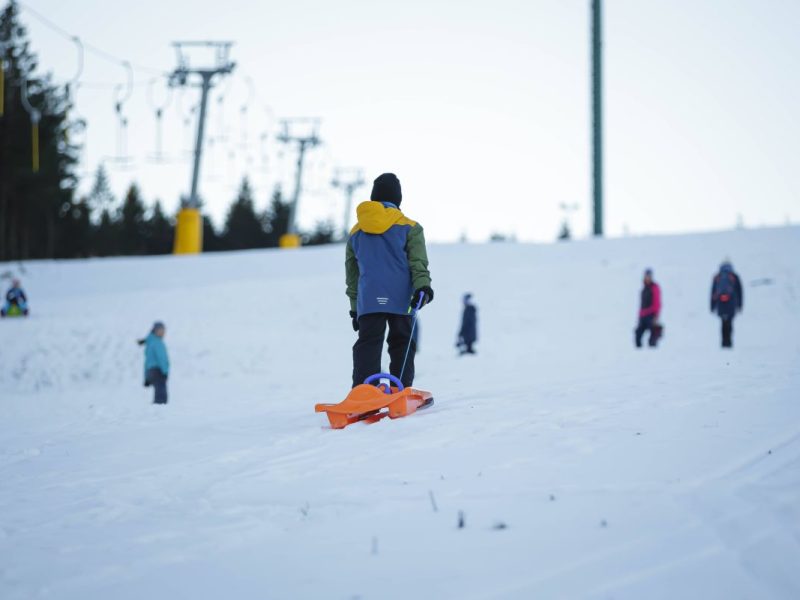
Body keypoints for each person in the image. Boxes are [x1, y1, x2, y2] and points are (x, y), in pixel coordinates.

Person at [346, 173, 433, 388]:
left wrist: (355, 307)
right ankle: (401, 389)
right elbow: (418, 262)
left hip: (369, 298)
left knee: (368, 343)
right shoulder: (410, 227)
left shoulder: (356, 231)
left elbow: (352, 274)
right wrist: (423, 286)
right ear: (398, 199)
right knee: (402, 341)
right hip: (401, 298)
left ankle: (363, 391)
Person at [710, 260, 743, 348]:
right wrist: (740, 304)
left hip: (721, 303)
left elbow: (713, 292)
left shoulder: (718, 276)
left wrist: (712, 306)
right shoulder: (734, 276)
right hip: (731, 303)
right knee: (729, 322)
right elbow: (739, 291)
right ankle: (729, 341)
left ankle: (724, 342)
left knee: (723, 322)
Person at [138, 321, 170, 404]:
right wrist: (165, 371)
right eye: (160, 330)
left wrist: (146, 377)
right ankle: (159, 413)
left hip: (151, 372)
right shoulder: (157, 343)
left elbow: (147, 362)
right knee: (161, 396)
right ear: (155, 331)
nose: (163, 332)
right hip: (158, 371)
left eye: (163, 330)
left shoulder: (150, 342)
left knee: (158, 393)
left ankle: (156, 412)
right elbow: (162, 358)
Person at [635, 268, 662, 348]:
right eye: (646, 276)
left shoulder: (654, 288)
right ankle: (638, 352)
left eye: (649, 276)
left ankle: (653, 352)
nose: (647, 278)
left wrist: (656, 315)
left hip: (651, 314)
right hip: (643, 315)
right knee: (638, 334)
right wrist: (640, 314)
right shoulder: (644, 289)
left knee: (653, 334)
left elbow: (657, 302)